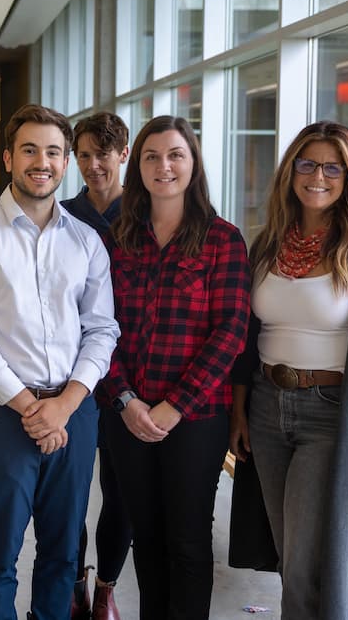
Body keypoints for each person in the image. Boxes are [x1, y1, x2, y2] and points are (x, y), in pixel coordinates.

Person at [228, 121, 348, 619]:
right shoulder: (269, 244)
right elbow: (249, 336)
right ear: (291, 171)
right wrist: (240, 410)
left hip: (335, 417)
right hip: (269, 410)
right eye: (308, 164)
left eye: (332, 167)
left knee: (315, 563)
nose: (318, 176)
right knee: (293, 557)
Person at [0, 103, 120, 620]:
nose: (41, 162)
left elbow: (102, 329)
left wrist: (64, 405)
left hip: (75, 411)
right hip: (3, 413)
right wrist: (28, 406)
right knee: (0, 551)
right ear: (8, 158)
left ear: (65, 162)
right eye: (29, 150)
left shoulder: (86, 241)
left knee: (63, 552)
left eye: (52, 152)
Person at [94, 115, 250, 620]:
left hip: (196, 420)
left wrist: (173, 407)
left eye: (175, 155)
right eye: (152, 157)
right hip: (128, 416)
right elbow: (99, 327)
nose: (164, 166)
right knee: (146, 537)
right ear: (136, 166)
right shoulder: (118, 239)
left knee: (186, 540)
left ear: (193, 163)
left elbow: (230, 332)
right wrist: (126, 400)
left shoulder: (223, 240)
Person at [61, 112, 132, 620]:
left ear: (123, 154)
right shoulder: (63, 214)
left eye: (102, 155)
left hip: (130, 376)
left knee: (120, 493)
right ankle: (74, 582)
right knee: (71, 492)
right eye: (82, 156)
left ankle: (107, 585)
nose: (92, 165)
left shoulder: (147, 214)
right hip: (77, 375)